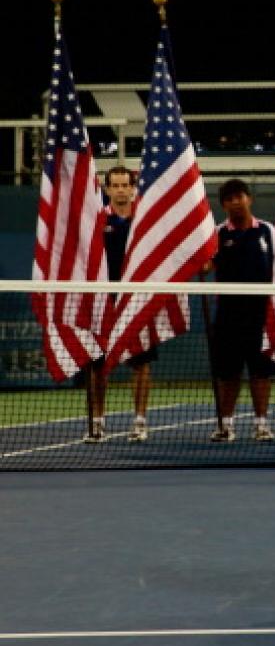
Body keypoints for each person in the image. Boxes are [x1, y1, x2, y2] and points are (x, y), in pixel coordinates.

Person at [83, 166, 157, 443]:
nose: (121, 189)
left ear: (133, 187)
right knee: (98, 365)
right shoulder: (96, 221)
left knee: (140, 364)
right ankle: (97, 422)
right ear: (107, 189)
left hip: (137, 300)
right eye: (115, 185)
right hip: (103, 303)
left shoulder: (145, 220)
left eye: (125, 184)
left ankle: (139, 422)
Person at [205, 178, 275, 442]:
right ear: (224, 205)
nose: (236, 202)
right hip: (228, 315)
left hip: (262, 314)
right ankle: (226, 425)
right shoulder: (216, 234)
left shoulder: (269, 231)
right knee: (228, 374)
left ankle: (261, 424)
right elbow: (204, 267)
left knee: (260, 373)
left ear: (250, 199)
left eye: (240, 196)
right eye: (230, 199)